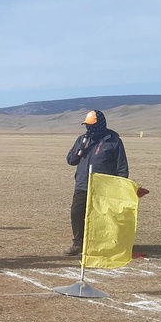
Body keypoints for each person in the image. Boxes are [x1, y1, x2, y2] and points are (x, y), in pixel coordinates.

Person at [64, 109, 128, 256]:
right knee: (77, 212)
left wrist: (121, 186)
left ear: (99, 124)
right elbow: (71, 160)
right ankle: (78, 243)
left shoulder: (113, 141)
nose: (89, 128)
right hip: (83, 183)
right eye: (87, 125)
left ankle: (102, 243)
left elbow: (121, 166)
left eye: (91, 125)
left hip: (104, 186)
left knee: (102, 215)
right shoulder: (82, 140)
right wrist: (79, 151)